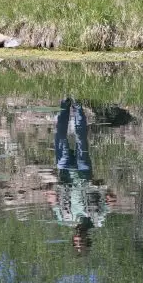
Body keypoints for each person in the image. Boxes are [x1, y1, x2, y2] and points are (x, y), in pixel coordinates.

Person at [46, 99, 114, 253]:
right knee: (80, 138)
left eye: (76, 241)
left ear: (73, 239)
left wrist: (50, 191)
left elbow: (52, 200)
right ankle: (77, 104)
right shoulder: (97, 220)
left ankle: (64, 104)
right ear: (87, 239)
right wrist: (103, 188)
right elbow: (111, 200)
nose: (78, 238)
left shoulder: (64, 219)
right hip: (84, 173)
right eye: (81, 241)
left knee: (60, 138)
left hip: (64, 171)